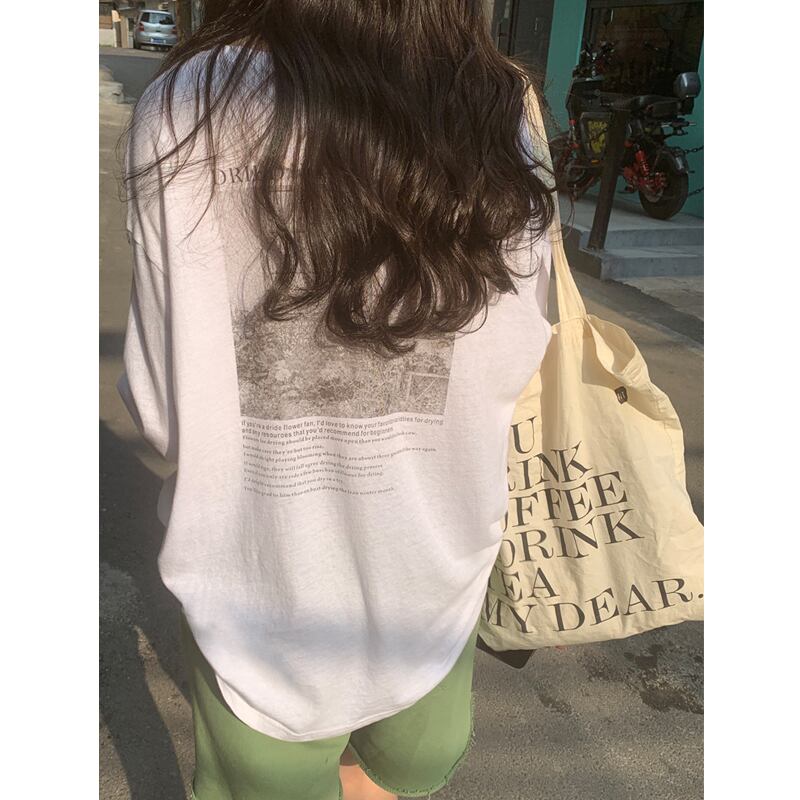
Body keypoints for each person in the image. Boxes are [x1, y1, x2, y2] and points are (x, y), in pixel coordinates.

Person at [118, 1, 556, 798]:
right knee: (402, 768)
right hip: (434, 558)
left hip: (257, 574)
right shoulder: (499, 103)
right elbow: (516, 356)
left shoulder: (188, 102)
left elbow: (159, 403)